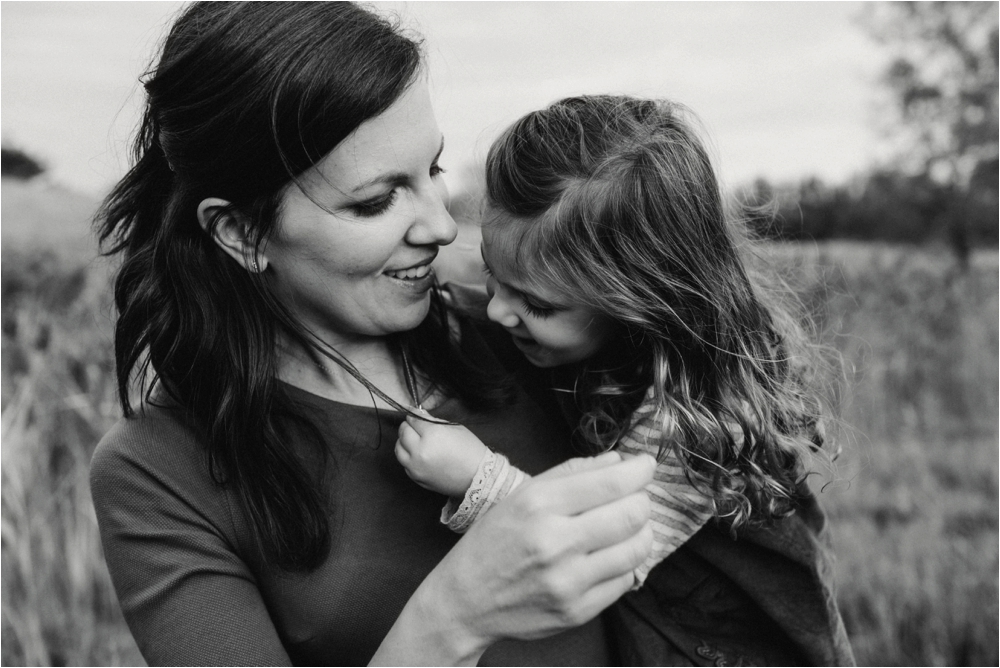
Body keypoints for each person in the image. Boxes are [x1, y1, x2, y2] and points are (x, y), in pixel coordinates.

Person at [89, 5, 658, 666]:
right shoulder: (158, 473)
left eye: (433, 172)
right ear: (242, 233)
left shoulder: (524, 335)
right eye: (377, 200)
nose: (440, 228)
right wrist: (456, 613)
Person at [396, 95, 856, 666]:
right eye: (493, 275)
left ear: (638, 304)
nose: (497, 313)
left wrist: (477, 479)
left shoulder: (700, 421)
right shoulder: (611, 335)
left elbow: (608, 547)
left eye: (534, 305)